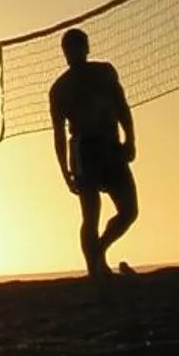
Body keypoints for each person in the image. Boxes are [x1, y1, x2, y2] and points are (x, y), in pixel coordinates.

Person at [48, 26, 138, 283]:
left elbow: (122, 108)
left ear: (86, 48)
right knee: (91, 215)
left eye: (77, 47)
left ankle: (99, 251)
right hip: (85, 151)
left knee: (129, 211)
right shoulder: (60, 89)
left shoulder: (104, 72)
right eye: (68, 49)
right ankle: (95, 270)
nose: (73, 53)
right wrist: (65, 171)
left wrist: (130, 140)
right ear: (64, 52)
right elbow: (58, 134)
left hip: (111, 146)